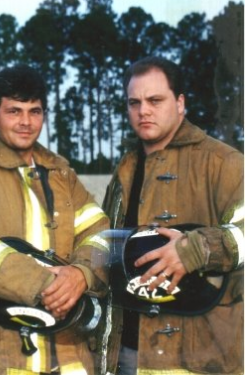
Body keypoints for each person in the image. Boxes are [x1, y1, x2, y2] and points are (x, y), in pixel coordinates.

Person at [0, 65, 110, 375]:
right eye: (14, 111)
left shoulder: (64, 176)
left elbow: (102, 237)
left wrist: (82, 274)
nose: (26, 122)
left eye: (35, 111)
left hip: (67, 358)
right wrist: (50, 286)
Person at [101, 56, 244, 375]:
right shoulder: (125, 168)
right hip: (126, 356)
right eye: (134, 102)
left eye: (155, 100)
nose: (143, 111)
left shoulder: (225, 163)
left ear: (180, 103)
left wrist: (197, 250)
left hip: (200, 360)